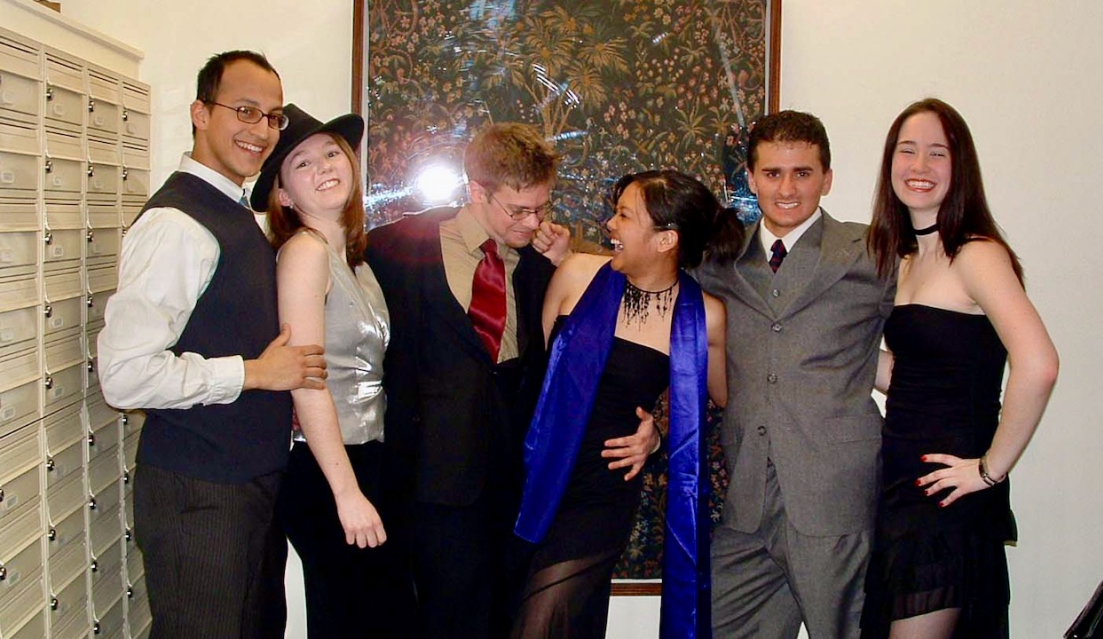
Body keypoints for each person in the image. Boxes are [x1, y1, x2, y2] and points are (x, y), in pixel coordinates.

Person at [97, 51, 327, 638]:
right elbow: (124, 375)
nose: (262, 130)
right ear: (201, 113)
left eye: (272, 116)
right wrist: (254, 373)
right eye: (245, 110)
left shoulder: (232, 211)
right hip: (199, 495)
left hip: (244, 487)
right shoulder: (177, 224)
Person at [366, 122, 606, 639]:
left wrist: (562, 263)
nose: (533, 221)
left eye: (541, 207)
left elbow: (580, 355)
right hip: (426, 483)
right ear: (477, 191)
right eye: (518, 210)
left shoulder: (541, 264)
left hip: (512, 484)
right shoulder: (395, 248)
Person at [512, 170, 741, 639]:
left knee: (541, 622)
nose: (610, 225)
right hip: (534, 473)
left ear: (665, 240)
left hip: (603, 493)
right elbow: (535, 374)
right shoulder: (576, 273)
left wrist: (658, 432)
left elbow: (720, 398)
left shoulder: (704, 316)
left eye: (624, 215)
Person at [860, 98, 1059, 638]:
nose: (919, 166)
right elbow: (913, 380)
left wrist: (990, 470)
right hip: (900, 486)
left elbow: (1039, 364)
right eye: (907, 151)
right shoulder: (903, 260)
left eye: (937, 153)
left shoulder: (976, 254)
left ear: (960, 166)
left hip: (946, 496)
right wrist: (834, 351)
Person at [696, 110, 895, 639]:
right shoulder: (720, 259)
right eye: (772, 173)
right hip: (746, 500)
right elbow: (650, 283)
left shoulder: (874, 251)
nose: (786, 189)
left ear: (826, 178)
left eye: (802, 173)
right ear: (751, 177)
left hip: (834, 494)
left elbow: (934, 331)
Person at [250, 104, 416, 638]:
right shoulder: (305, 253)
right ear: (282, 196)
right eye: (301, 164)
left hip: (366, 457)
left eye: (330, 153)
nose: (323, 167)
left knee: (378, 619)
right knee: (352, 621)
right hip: (326, 467)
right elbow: (306, 378)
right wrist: (346, 493)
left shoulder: (356, 262)